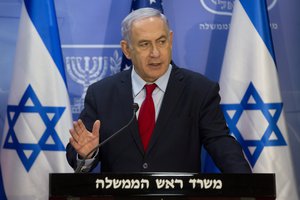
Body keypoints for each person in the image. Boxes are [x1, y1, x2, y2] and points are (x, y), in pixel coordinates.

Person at [66, 7, 251, 173]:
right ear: (127, 50)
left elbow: (220, 142)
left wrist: (249, 185)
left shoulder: (199, 90)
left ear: (170, 40)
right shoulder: (102, 94)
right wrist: (86, 155)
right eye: (145, 44)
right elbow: (78, 153)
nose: (155, 53)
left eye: (161, 41)